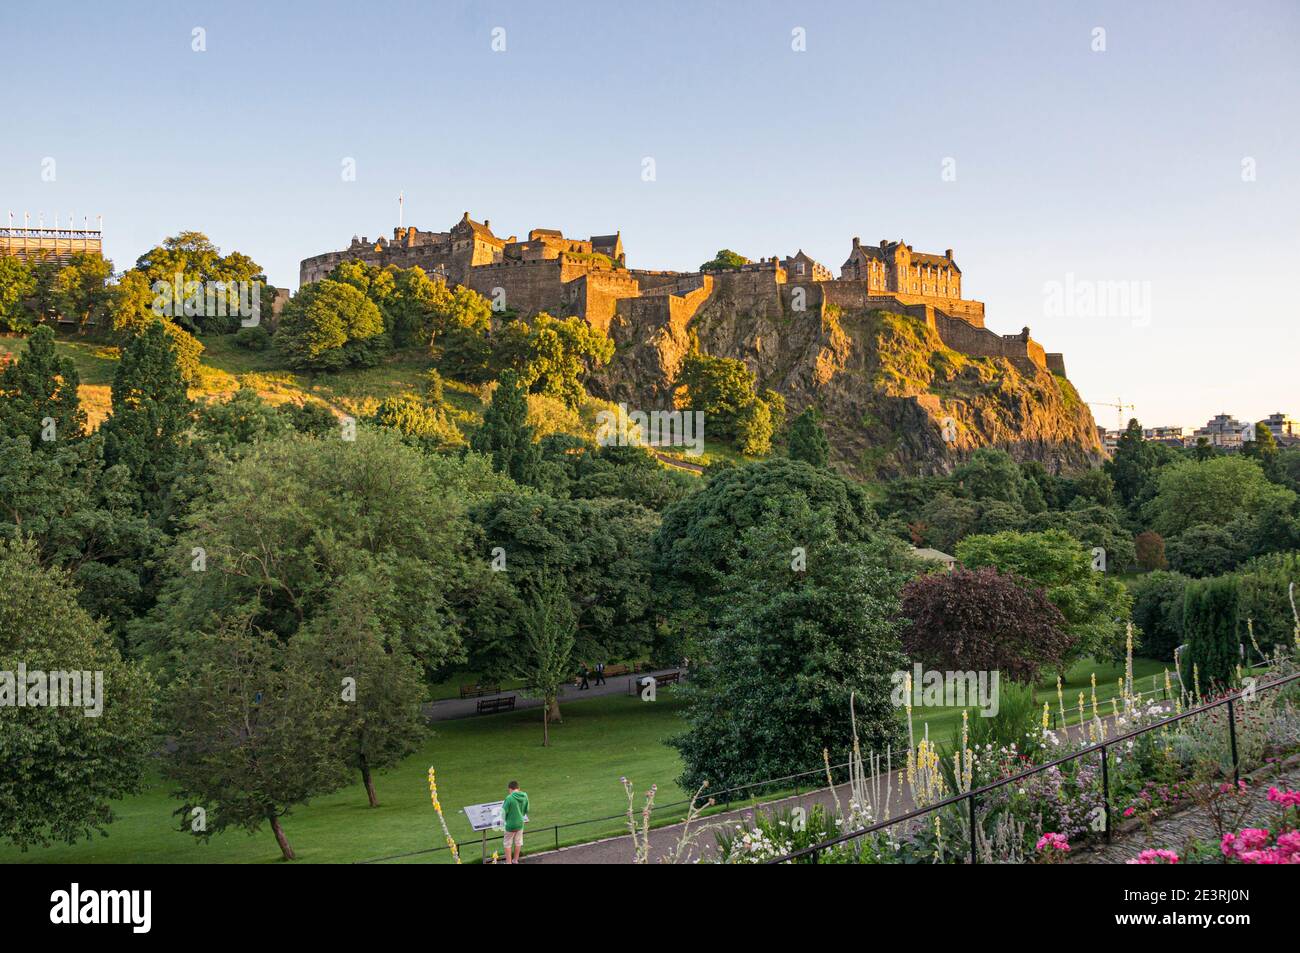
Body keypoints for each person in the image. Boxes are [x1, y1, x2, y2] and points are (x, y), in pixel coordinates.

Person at [501, 780, 529, 864]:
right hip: (520, 823)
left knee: (507, 843)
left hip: (510, 825)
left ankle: (508, 862)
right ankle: (515, 860)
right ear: (518, 788)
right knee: (518, 842)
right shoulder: (525, 796)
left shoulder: (509, 798)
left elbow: (503, 812)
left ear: (510, 789)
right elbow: (526, 810)